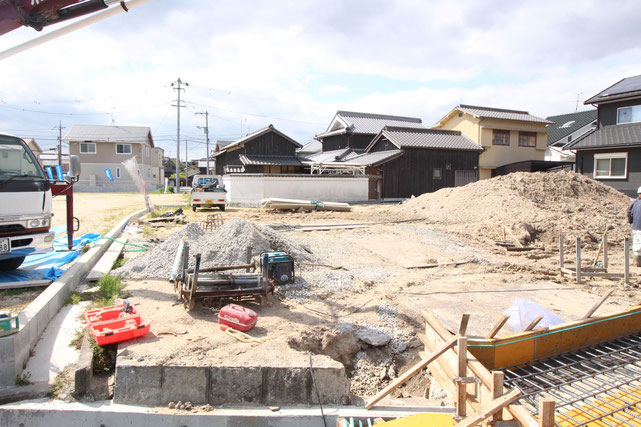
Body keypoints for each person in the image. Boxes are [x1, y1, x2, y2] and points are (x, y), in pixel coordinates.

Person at [627, 186, 641, 266]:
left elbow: (629, 213)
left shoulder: (634, 202)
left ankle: (638, 262)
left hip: (636, 227)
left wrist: (630, 221)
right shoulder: (635, 203)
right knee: (637, 245)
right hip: (637, 227)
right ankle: (638, 262)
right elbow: (629, 213)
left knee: (637, 245)